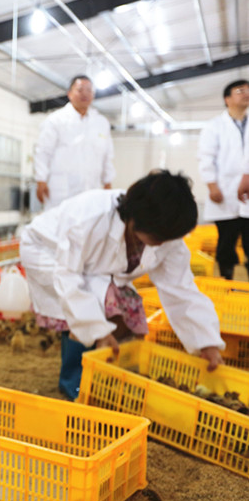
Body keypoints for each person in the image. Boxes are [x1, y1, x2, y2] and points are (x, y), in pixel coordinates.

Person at [20, 170, 225, 400]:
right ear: (137, 220)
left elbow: (181, 289)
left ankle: (100, 371)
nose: (163, 244)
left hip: (91, 266)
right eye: (159, 237)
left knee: (119, 309)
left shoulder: (166, 234)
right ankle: (74, 381)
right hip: (46, 250)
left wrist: (206, 342)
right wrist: (97, 331)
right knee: (92, 306)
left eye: (167, 238)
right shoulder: (90, 217)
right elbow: (67, 276)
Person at [34, 75, 115, 210]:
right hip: (61, 191)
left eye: (89, 90)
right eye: (80, 90)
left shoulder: (101, 123)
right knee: (58, 221)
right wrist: (40, 180)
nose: (85, 94)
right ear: (70, 94)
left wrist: (108, 182)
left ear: (93, 95)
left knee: (90, 220)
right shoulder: (55, 120)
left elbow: (107, 155)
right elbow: (43, 152)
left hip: (91, 190)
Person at [197, 79, 249, 280]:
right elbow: (206, 157)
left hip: (247, 192)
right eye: (240, 91)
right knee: (226, 242)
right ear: (227, 99)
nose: (246, 94)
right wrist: (212, 186)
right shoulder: (214, 126)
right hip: (224, 192)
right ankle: (227, 282)